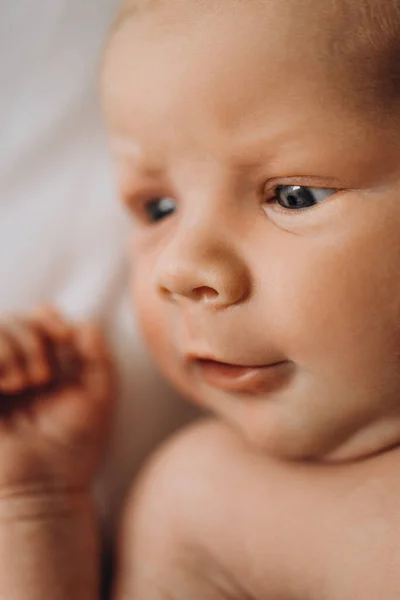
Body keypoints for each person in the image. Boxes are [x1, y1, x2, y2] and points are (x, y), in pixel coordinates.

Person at [2, 0, 400, 598]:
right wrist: (35, 504)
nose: (179, 268)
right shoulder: (212, 502)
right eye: (158, 209)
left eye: (292, 195)